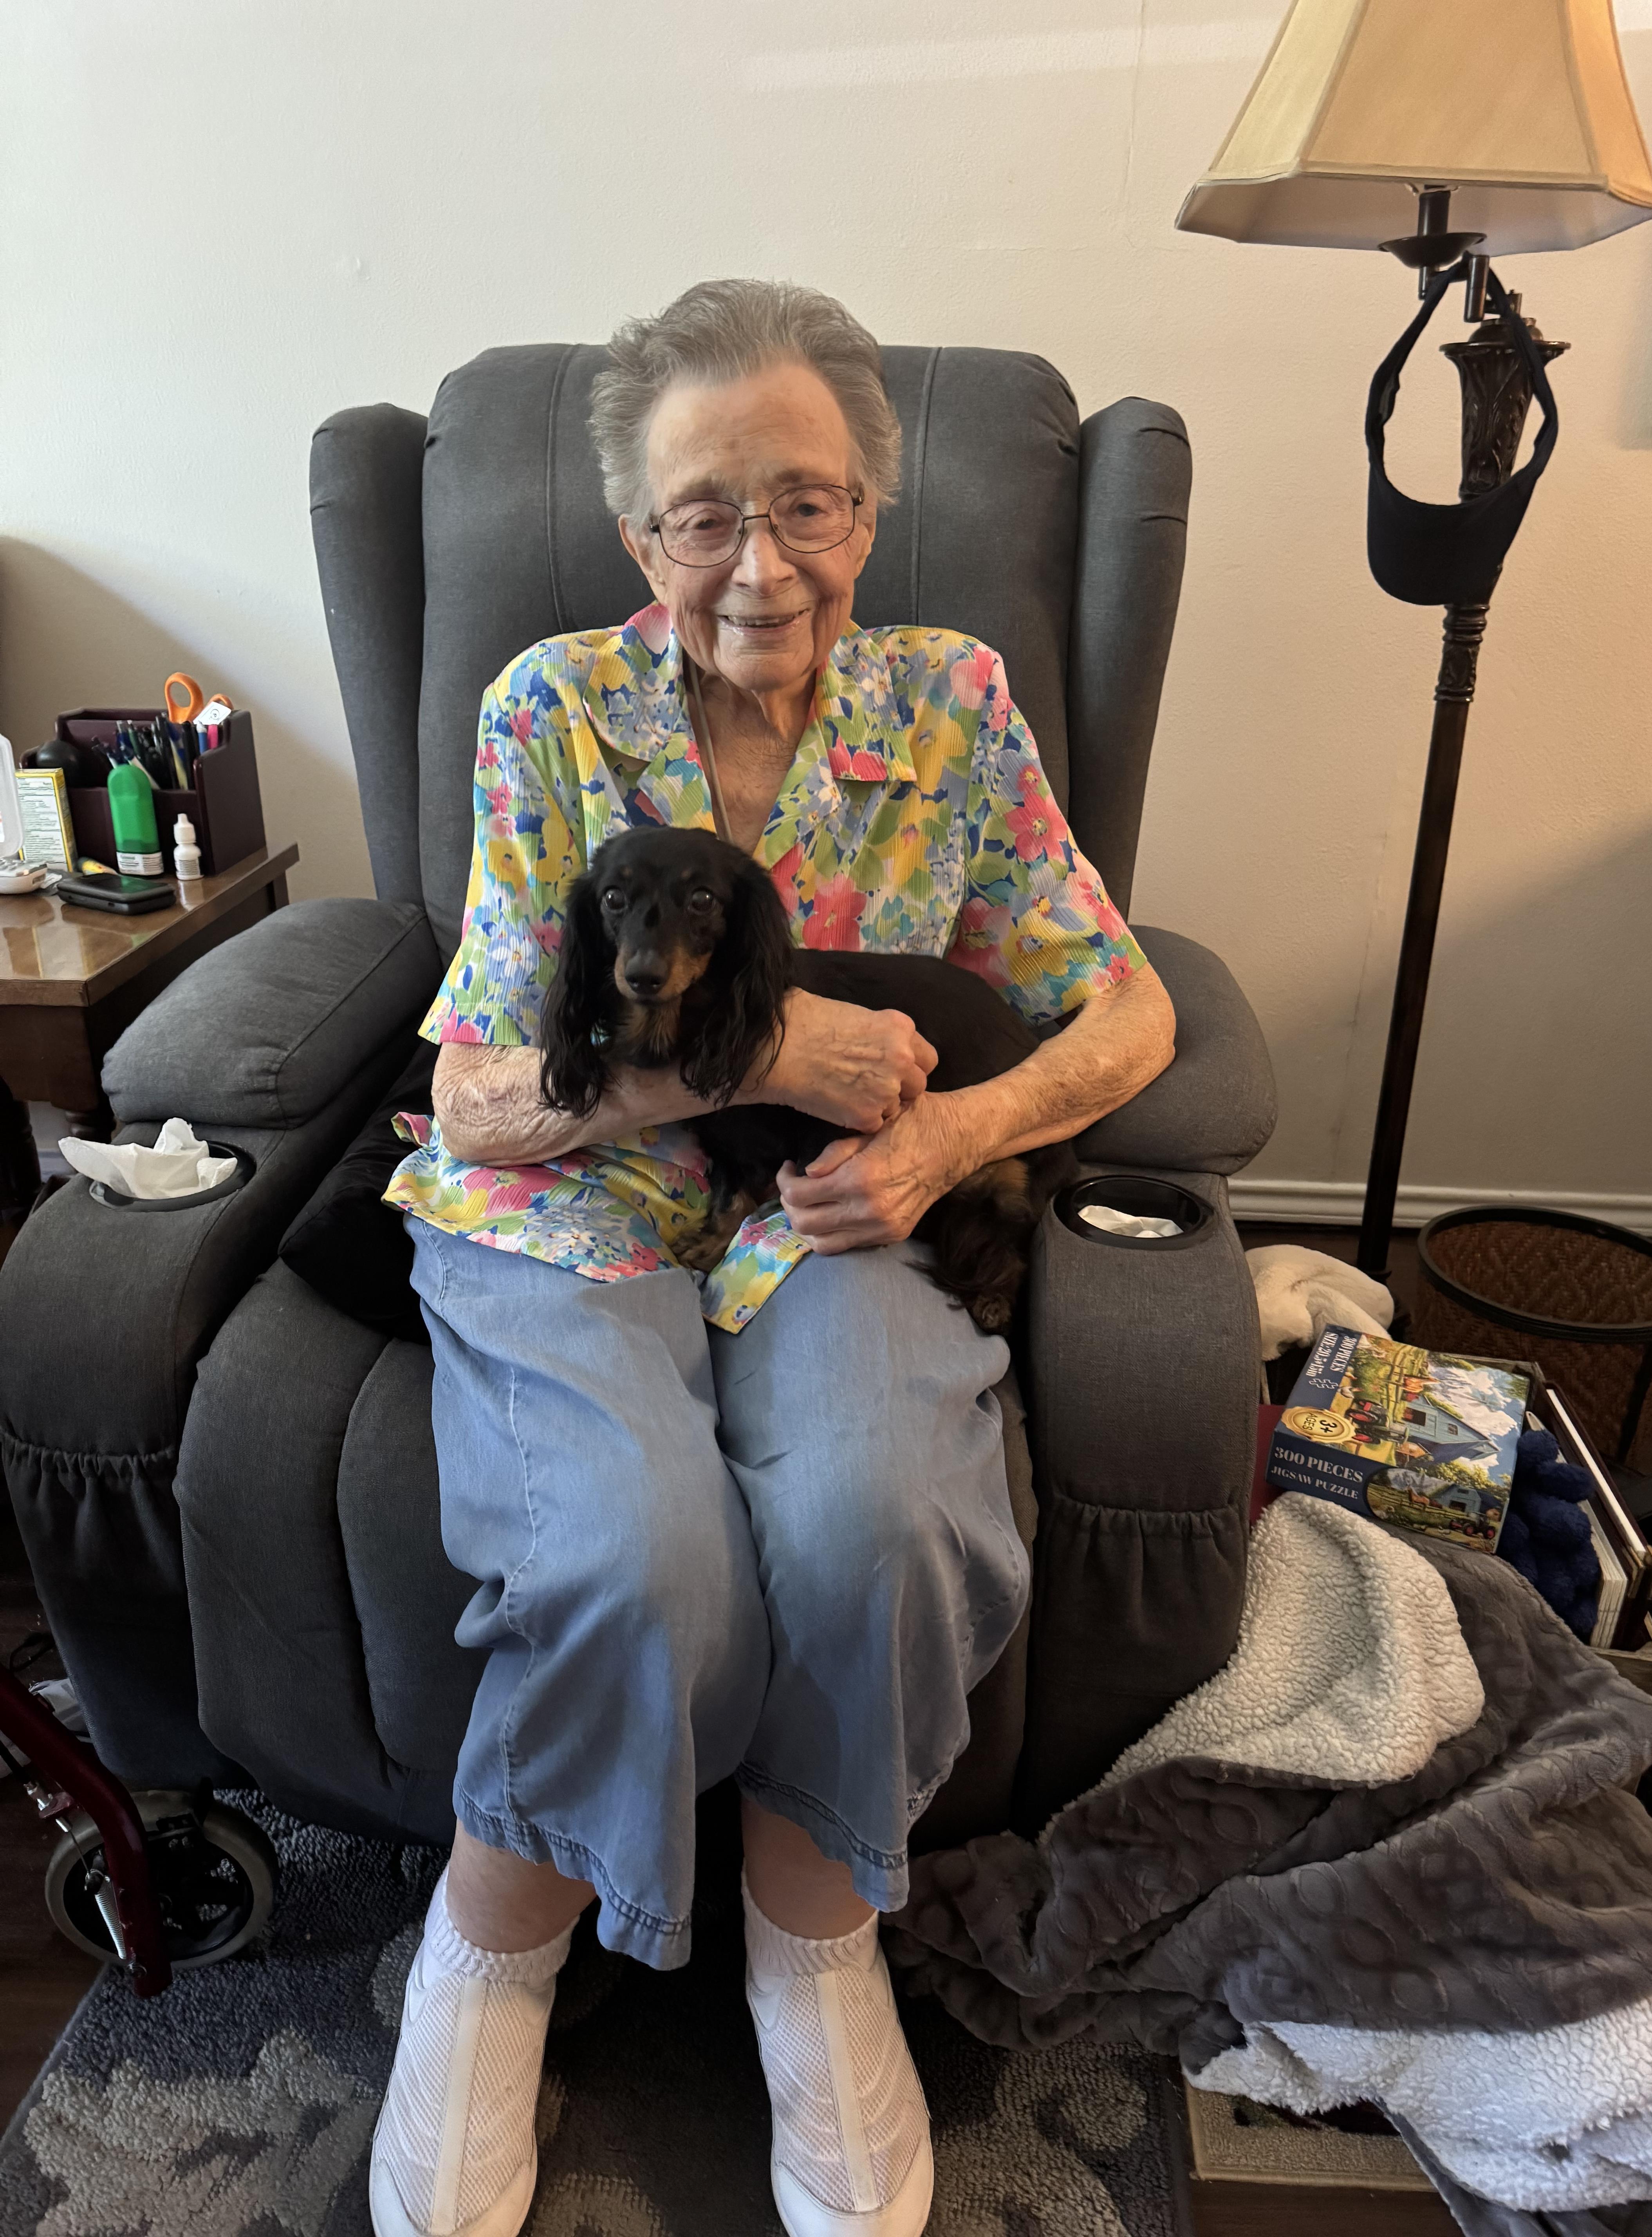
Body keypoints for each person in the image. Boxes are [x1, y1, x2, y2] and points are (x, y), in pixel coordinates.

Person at [370, 279, 1176, 2237]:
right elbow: (476, 1094)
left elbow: (1130, 1016)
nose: (760, 561)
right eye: (706, 514)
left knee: (882, 1518)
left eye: (804, 503)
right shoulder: (551, 710)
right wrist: (749, 1057)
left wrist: (949, 1137)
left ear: (869, 519)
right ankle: (494, 1952)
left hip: (838, 1221)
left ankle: (814, 1947)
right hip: (576, 1209)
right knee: (620, 1552)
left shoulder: (955, 707)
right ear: (643, 542)